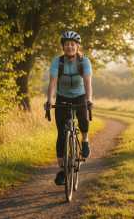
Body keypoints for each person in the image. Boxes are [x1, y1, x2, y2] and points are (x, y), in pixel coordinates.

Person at [45, 30, 93, 186]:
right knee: (62, 133)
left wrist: (89, 99)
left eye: (73, 44)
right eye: (67, 44)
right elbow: (52, 83)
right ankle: (63, 170)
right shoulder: (57, 62)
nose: (70, 47)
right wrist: (48, 100)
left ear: (77, 46)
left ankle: (85, 141)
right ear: (63, 47)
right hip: (62, 97)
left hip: (80, 96)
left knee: (83, 121)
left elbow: (87, 82)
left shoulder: (84, 62)